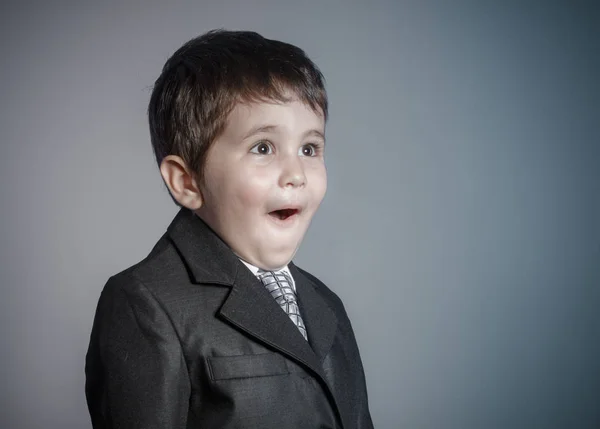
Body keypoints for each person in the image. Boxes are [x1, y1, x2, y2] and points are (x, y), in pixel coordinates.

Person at [85, 29, 373, 429]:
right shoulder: (145, 303)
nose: (296, 174)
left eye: (309, 149)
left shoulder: (327, 305)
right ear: (187, 182)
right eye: (263, 147)